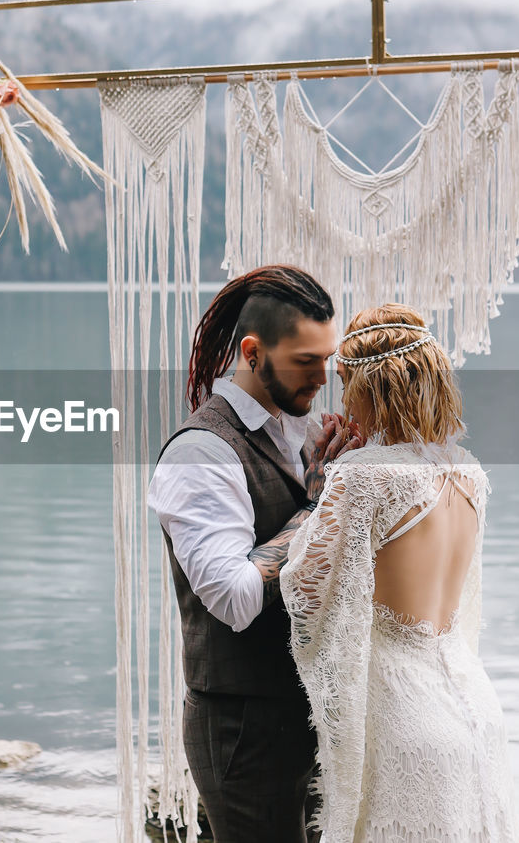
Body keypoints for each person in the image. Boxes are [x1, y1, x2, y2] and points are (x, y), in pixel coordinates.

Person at [279, 303, 519, 843]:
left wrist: (320, 490)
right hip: (474, 707)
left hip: (401, 718)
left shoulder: (364, 476)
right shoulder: (469, 473)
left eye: (346, 385)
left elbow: (305, 590)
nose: (341, 400)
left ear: (370, 390)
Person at [147, 265, 364, 843]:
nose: (325, 376)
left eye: (328, 358)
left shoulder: (299, 428)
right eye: (306, 360)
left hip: (307, 713)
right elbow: (236, 599)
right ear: (252, 351)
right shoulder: (200, 453)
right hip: (243, 731)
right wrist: (321, 505)